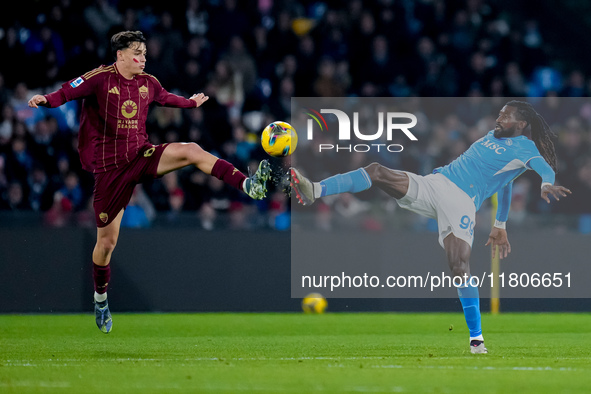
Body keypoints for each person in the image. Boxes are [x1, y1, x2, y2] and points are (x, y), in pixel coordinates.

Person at [28, 31, 271, 333]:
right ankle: (100, 298)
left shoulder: (148, 83)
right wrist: (46, 100)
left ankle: (248, 184)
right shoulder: (101, 78)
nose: (143, 58)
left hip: (142, 155)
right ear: (120, 55)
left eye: (144, 53)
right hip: (111, 170)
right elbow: (69, 90)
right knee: (106, 243)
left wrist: (190, 104)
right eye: (137, 53)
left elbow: (166, 97)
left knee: (192, 151)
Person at [290, 100, 571, 354]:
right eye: (499, 114)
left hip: (461, 201)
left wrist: (545, 183)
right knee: (376, 170)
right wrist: (500, 223)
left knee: (459, 266)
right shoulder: (492, 136)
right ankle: (315, 189)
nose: (498, 120)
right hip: (435, 183)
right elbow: (506, 180)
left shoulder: (526, 148)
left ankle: (477, 340)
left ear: (521, 124)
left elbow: (542, 169)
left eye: (505, 117)